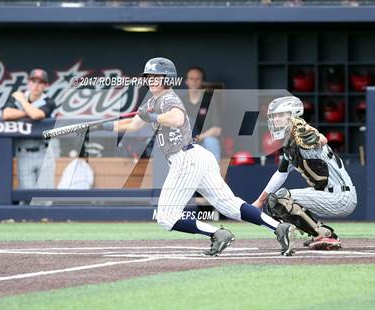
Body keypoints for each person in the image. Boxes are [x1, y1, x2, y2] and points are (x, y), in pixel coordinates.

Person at [99, 57, 297, 256]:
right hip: (197, 157)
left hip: (185, 159)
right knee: (230, 205)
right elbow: (132, 126)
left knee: (166, 218)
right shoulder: (153, 101)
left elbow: (176, 119)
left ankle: (217, 234)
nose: (150, 80)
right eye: (148, 76)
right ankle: (279, 227)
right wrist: (103, 126)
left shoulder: (168, 98)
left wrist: (150, 116)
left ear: (167, 78)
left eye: (155, 76)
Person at [252, 96, 357, 250]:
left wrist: (316, 138)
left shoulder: (303, 133)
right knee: (273, 202)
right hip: (327, 194)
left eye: (280, 115)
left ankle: (323, 235)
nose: (276, 120)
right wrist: (260, 201)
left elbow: (322, 140)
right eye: (274, 116)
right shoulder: (291, 144)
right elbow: (280, 174)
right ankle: (324, 234)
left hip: (340, 196)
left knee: (281, 198)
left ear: (293, 116)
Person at [3, 69, 57, 189]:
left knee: (45, 197)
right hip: (23, 153)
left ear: (46, 85)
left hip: (44, 152)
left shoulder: (49, 101)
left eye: (40, 82)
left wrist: (22, 101)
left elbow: (37, 115)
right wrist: (28, 112)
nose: (36, 85)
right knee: (27, 196)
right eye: (33, 81)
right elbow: (6, 114)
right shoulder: (16, 97)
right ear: (28, 83)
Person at [182, 67, 221, 160]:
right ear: (186, 81)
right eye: (191, 78)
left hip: (205, 139)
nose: (194, 81)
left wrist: (200, 137)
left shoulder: (210, 100)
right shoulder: (181, 101)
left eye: (197, 79)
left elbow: (217, 129)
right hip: (186, 141)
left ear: (202, 81)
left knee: (211, 142)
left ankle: (213, 173)